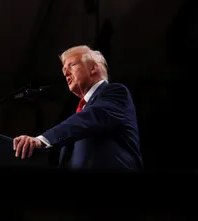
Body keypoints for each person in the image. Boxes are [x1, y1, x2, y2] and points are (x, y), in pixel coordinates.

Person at [13, 45, 143, 170]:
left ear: (93, 68)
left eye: (71, 65)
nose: (66, 73)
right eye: (64, 70)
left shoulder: (115, 92)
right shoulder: (79, 114)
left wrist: (42, 139)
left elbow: (91, 117)